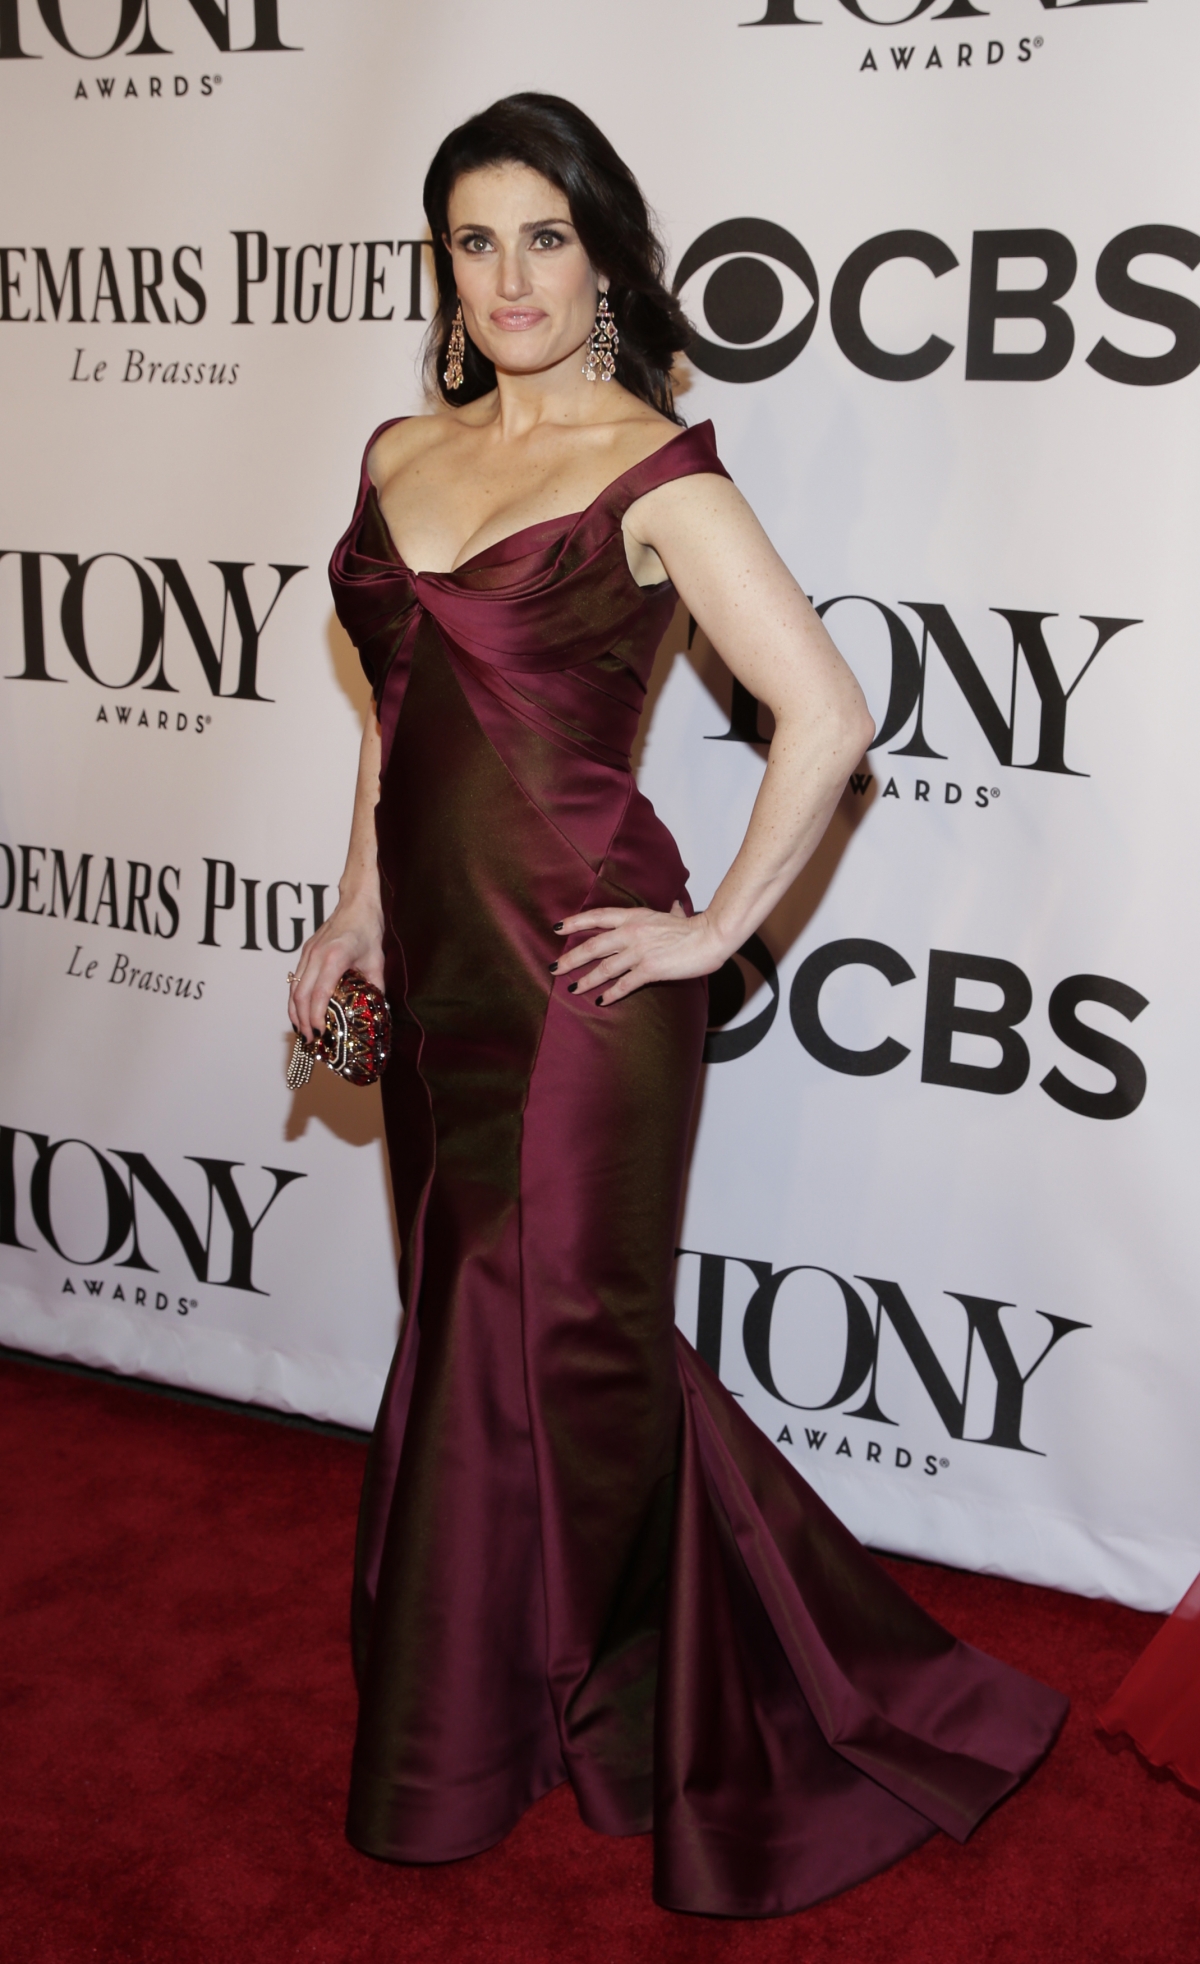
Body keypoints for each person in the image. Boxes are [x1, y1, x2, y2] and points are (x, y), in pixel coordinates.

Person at [287, 92, 1067, 1919]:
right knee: (497, 1330)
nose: (508, 279)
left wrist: (716, 927)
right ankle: (530, 1697)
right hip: (443, 981)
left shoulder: (660, 468)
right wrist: (352, 918)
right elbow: (403, 726)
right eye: (473, 243)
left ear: (604, 249)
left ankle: (602, 1716)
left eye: (542, 237)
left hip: (580, 978)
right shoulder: (403, 443)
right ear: (441, 265)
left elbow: (832, 716)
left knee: (555, 1336)